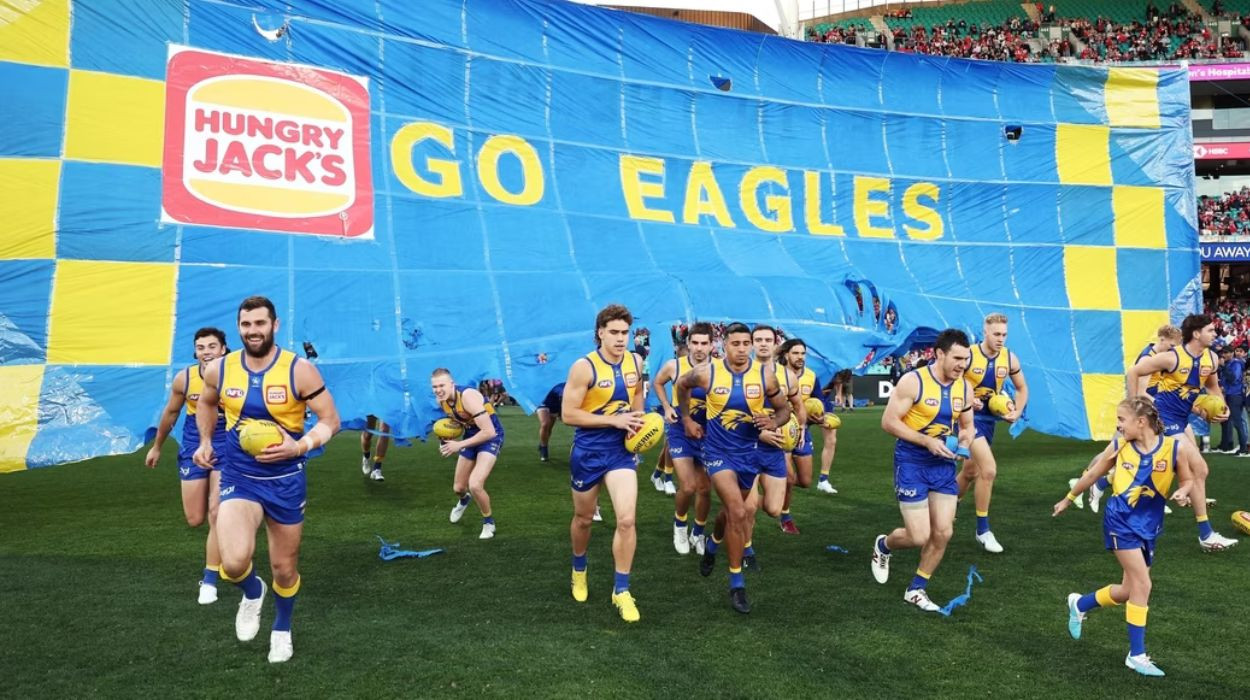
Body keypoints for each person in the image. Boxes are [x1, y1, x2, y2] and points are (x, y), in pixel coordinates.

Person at [193, 295, 340, 664]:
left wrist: (300, 446)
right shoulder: (220, 369)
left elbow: (330, 421)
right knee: (233, 563)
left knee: (284, 568)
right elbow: (207, 403)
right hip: (239, 476)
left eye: (260, 323)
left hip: (286, 479)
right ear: (238, 328)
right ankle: (253, 592)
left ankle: (282, 628)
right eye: (246, 324)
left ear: (274, 325)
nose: (252, 331)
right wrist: (208, 440)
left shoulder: (299, 370)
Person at [1054, 398, 1196, 677]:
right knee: (1143, 583)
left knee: (1129, 590)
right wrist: (1069, 498)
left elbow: (1188, 480)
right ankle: (1137, 655)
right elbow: (1094, 472)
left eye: (1121, 420)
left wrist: (1183, 492)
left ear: (1140, 422)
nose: (1118, 425)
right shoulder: (1120, 445)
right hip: (1120, 520)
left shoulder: (1174, 448)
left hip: (1150, 524)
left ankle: (1080, 604)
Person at [678, 322, 791, 614]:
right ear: (723, 345)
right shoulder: (707, 372)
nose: (741, 349)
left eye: (746, 344)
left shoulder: (765, 375)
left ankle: (713, 546)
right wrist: (687, 419)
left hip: (749, 454)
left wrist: (774, 422)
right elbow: (681, 386)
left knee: (729, 513)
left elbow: (784, 409)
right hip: (717, 454)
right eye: (735, 344)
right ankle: (737, 583)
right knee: (739, 513)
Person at [870, 329, 974, 613]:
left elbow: (967, 425)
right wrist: (926, 441)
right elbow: (889, 422)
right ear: (939, 354)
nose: (962, 365)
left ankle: (916, 589)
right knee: (918, 536)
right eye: (957, 358)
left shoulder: (964, 387)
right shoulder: (912, 381)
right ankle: (884, 545)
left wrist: (964, 441)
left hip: (942, 464)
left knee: (943, 532)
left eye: (966, 359)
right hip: (912, 461)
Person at [562, 304, 647, 622]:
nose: (621, 338)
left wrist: (638, 423)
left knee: (626, 521)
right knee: (583, 519)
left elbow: (637, 396)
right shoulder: (583, 367)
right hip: (588, 451)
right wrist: (614, 421)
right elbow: (569, 415)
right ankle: (579, 568)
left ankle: (621, 590)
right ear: (600, 332)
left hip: (621, 452)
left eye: (625, 333)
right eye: (614, 332)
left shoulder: (636, 361)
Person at [1126, 314, 1238, 551]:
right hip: (1163, 419)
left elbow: (1213, 388)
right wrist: (1132, 407)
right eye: (1210, 330)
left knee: (1185, 470)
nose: (1215, 333)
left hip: (1181, 419)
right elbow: (1133, 372)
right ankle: (1206, 534)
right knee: (1198, 468)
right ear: (1196, 333)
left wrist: (1222, 408)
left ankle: (1108, 487)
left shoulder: (1213, 359)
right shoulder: (1171, 357)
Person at [144, 327, 229, 604]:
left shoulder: (236, 374)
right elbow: (171, 412)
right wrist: (157, 446)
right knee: (195, 519)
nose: (206, 351)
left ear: (224, 349)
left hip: (226, 439)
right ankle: (230, 534)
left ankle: (210, 580)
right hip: (194, 439)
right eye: (201, 347)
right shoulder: (186, 378)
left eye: (212, 346)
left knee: (217, 512)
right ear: (195, 351)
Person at [955, 313, 1029, 554]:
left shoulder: (1009, 358)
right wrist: (968, 398)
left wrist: (1017, 411)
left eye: (1004, 335)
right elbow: (950, 380)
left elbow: (1021, 387)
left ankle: (947, 508)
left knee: (969, 471)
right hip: (966, 419)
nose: (1001, 339)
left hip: (988, 421)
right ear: (985, 332)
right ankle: (983, 530)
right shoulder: (969, 355)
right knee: (988, 470)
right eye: (996, 334)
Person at [652, 323, 714, 555]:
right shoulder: (674, 366)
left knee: (705, 489)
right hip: (681, 430)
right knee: (688, 486)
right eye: (695, 343)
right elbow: (657, 382)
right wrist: (667, 407)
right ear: (688, 344)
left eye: (704, 343)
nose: (699, 348)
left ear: (712, 345)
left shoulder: (718, 369)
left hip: (709, 433)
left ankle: (698, 532)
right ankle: (680, 526)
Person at [432, 369, 505, 540]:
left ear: (452, 384)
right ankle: (464, 500)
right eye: (434, 386)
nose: (438, 389)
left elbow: (489, 432)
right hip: (471, 435)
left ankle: (489, 523)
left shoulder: (467, 396)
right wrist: (445, 439)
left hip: (491, 436)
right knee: (458, 488)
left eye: (442, 385)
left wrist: (459, 445)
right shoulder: (441, 400)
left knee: (475, 484)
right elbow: (455, 423)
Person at [778, 338, 819, 533]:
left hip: (803, 431)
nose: (800, 357)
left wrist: (821, 415)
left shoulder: (811, 376)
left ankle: (772, 481)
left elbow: (820, 402)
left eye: (803, 353)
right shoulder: (775, 374)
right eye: (796, 353)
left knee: (805, 481)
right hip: (782, 430)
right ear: (786, 354)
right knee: (789, 478)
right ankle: (785, 516)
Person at [1216, 346, 1247, 455]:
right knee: (1225, 421)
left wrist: (1223, 367)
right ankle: (1227, 445)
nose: (1224, 355)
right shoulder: (1229, 364)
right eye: (1223, 353)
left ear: (1231, 353)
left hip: (1235, 396)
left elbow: (1233, 378)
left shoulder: (1236, 363)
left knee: (1237, 422)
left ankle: (1244, 448)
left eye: (1226, 353)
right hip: (1227, 395)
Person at [536, 382, 566, 462]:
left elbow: (564, 399)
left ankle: (543, 442)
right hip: (543, 402)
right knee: (545, 424)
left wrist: (561, 412)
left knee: (549, 428)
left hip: (555, 405)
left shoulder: (565, 384)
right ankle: (544, 448)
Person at [360, 415, 388, 481]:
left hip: (386, 405)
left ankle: (377, 468)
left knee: (384, 431)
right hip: (371, 404)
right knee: (368, 435)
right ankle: (366, 456)